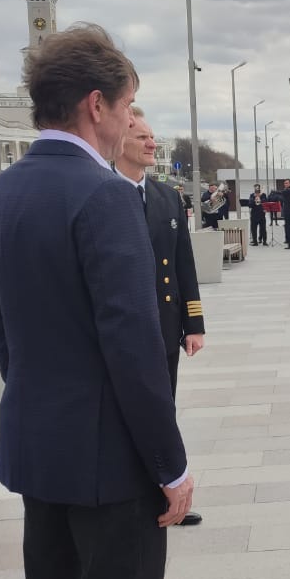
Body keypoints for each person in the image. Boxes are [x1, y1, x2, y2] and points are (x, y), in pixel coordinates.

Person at [0, 24, 192, 579]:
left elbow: (4, 331)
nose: (131, 121)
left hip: (42, 452)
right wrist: (170, 466)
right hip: (111, 468)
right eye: (127, 106)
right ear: (96, 105)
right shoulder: (104, 197)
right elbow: (134, 350)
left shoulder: (0, 196)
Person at [117, 106, 206, 529]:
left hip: (165, 326)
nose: (152, 144)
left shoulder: (167, 197)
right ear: (120, 140)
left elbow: (183, 262)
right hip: (125, 328)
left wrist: (194, 324)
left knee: (163, 409)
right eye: (142, 137)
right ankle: (136, 496)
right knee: (130, 414)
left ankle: (167, 491)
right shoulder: (103, 193)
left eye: (152, 137)